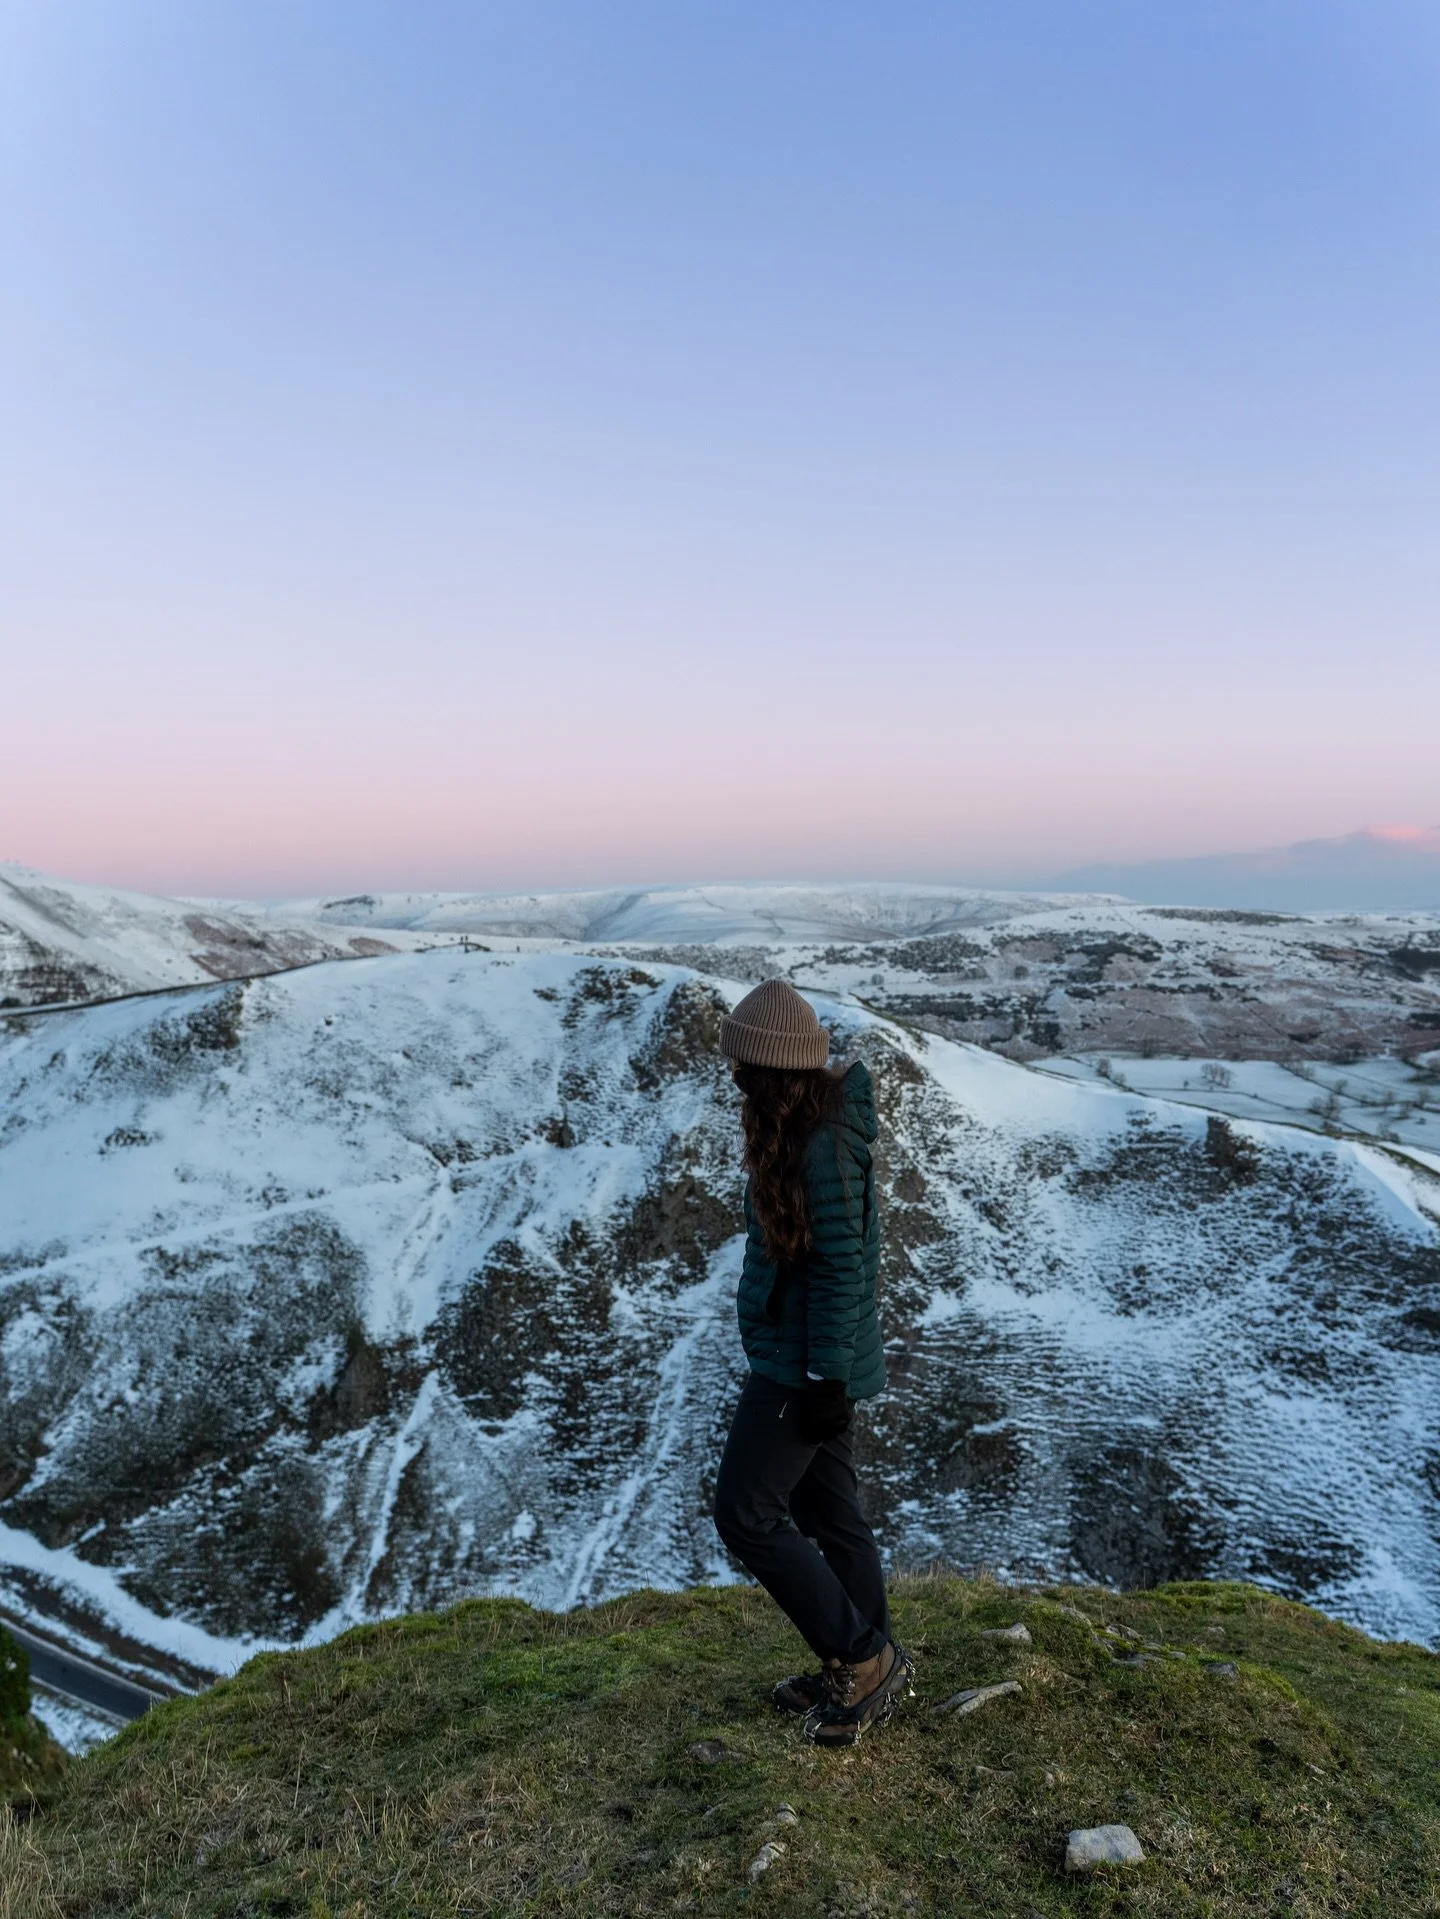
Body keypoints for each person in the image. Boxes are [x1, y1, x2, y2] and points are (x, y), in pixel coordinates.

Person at [712, 978, 913, 1747]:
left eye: (744, 1065)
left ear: (775, 1069)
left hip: (802, 1367)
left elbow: (840, 1269)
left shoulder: (822, 1144)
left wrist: (827, 1378)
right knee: (830, 1513)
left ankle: (860, 1655)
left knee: (745, 1512)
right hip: (803, 1356)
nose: (735, 1077)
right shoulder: (798, 1127)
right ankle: (866, 1661)